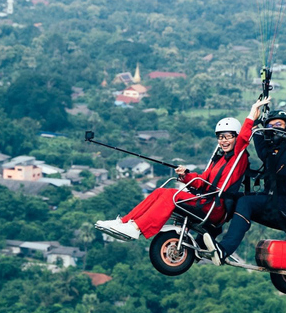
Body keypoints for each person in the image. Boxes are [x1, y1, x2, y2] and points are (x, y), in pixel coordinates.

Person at [94, 98, 269, 241]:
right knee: (160, 192)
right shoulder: (219, 159)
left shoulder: (239, 157)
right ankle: (125, 222)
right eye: (220, 137)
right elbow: (203, 181)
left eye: (228, 137)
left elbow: (244, 138)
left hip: (214, 207)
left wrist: (252, 114)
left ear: (236, 137)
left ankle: (137, 228)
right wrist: (186, 176)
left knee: (171, 196)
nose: (223, 141)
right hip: (205, 200)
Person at [204, 108, 286, 265]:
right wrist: (254, 118)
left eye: (278, 124)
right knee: (229, 197)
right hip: (272, 200)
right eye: (270, 125)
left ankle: (225, 250)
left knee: (246, 202)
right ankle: (204, 239)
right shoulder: (271, 151)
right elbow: (257, 137)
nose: (273, 128)